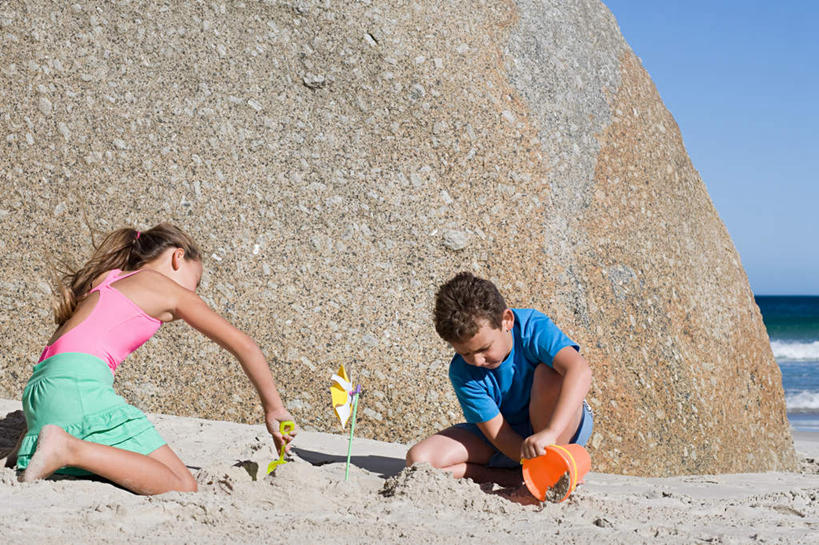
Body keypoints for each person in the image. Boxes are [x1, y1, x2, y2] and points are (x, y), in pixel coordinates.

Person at [15, 223, 296, 494]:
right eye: (194, 282)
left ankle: (53, 443)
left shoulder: (107, 279)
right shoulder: (169, 290)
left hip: (39, 397)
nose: (193, 292)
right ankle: (68, 447)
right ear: (177, 257)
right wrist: (273, 409)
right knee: (182, 484)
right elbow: (245, 346)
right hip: (78, 389)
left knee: (117, 464)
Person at [406, 271, 593, 494]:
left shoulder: (533, 327)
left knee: (548, 373)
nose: (476, 361)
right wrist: (527, 459)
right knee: (419, 459)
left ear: (507, 320)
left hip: (558, 426)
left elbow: (579, 369)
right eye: (465, 353)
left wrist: (551, 431)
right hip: (510, 438)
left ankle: (554, 466)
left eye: (484, 349)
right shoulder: (462, 372)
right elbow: (499, 434)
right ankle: (515, 475)